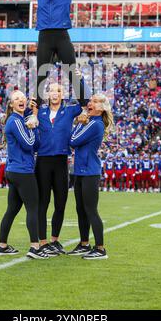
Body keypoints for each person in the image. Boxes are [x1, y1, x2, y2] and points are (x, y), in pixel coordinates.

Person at [5, 0, 106, 105]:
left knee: (72, 72)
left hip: (62, 36)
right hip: (45, 36)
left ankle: (86, 105)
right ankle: (36, 108)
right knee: (41, 74)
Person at [28, 72, 89, 256]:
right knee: (43, 203)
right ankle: (43, 241)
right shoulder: (39, 111)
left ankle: (54, 240)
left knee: (60, 203)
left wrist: (80, 80)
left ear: (62, 94)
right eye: (51, 90)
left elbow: (85, 102)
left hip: (62, 161)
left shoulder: (69, 110)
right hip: (43, 161)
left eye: (58, 90)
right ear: (47, 94)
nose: (55, 93)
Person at [0, 90, 49, 259]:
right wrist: (32, 126)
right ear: (11, 105)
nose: (21, 100)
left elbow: (36, 144)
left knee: (12, 209)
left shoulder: (20, 119)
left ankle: (2, 245)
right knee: (33, 208)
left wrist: (32, 122)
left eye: (22, 98)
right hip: (22, 171)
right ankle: (35, 247)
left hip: (15, 170)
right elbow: (29, 144)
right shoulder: (15, 120)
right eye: (16, 99)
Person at [67, 94, 114, 259]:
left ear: (102, 108)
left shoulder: (95, 124)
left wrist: (79, 122)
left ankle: (100, 248)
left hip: (90, 172)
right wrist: (81, 122)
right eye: (90, 100)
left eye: (94, 101)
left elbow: (72, 140)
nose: (90, 103)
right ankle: (84, 243)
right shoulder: (90, 122)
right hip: (80, 170)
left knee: (91, 210)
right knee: (80, 210)